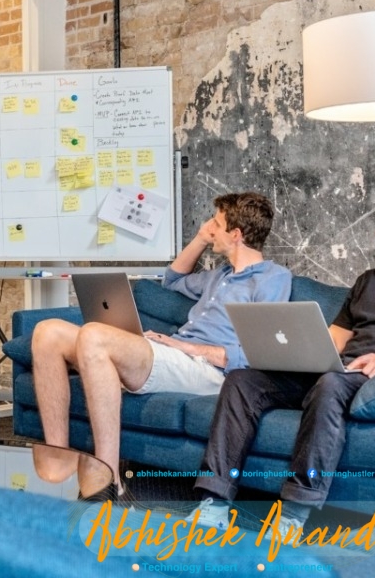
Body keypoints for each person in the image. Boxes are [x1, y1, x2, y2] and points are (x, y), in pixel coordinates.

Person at [194, 189, 375, 534]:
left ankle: (294, 513)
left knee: (331, 383)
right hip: (341, 371)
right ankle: (213, 502)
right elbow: (334, 340)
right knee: (242, 381)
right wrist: (295, 352)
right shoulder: (369, 281)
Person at [31, 191, 292, 490]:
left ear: (236, 234)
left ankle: (108, 478)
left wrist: (191, 348)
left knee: (94, 335)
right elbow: (173, 281)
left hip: (208, 371)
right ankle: (59, 454)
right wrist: (199, 238)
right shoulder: (218, 276)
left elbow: (262, 352)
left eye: (216, 224)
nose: (210, 227)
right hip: (175, 357)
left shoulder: (272, 279)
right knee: (47, 332)